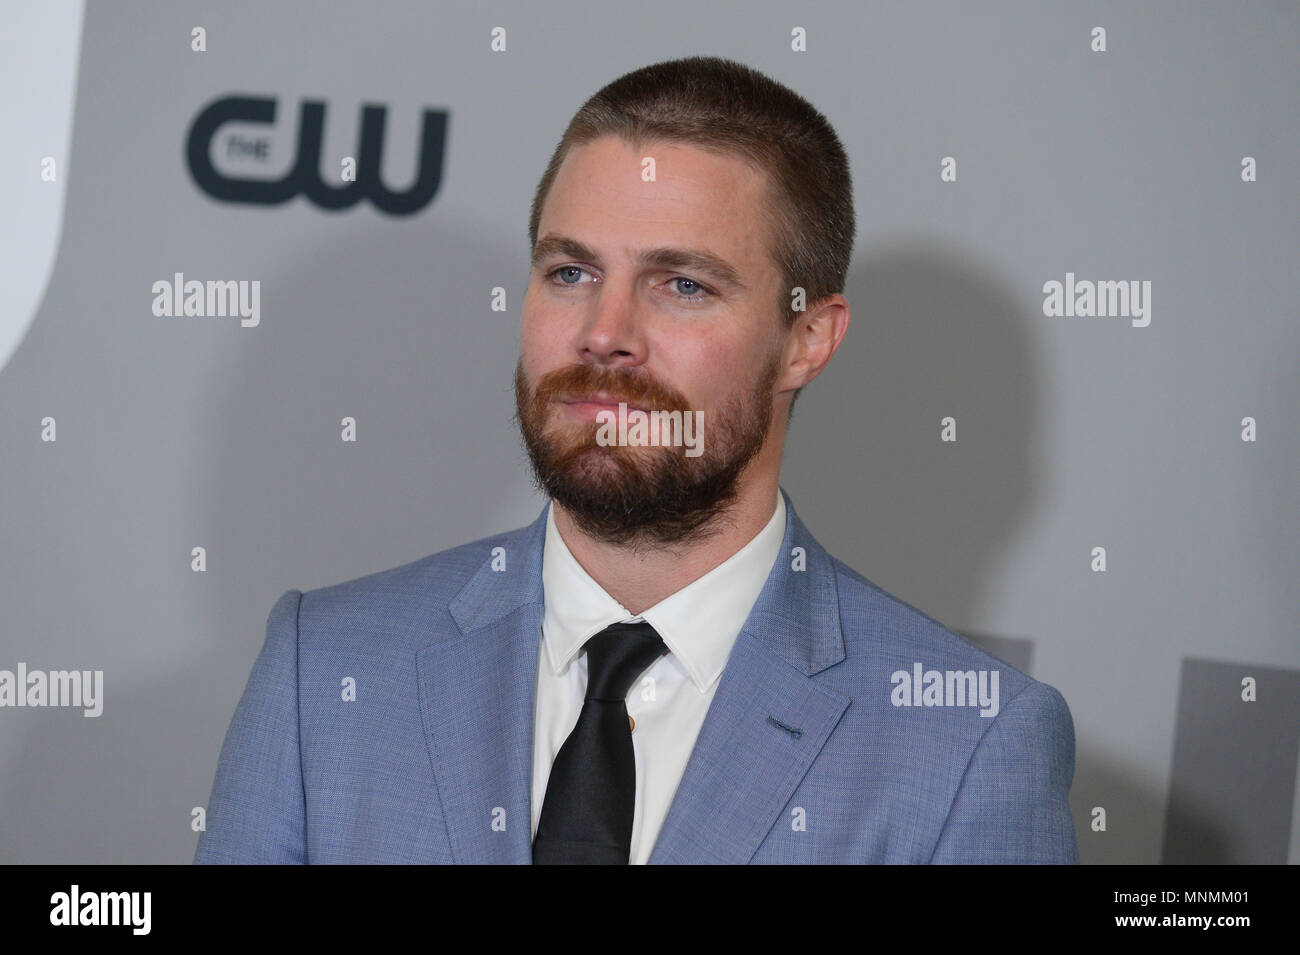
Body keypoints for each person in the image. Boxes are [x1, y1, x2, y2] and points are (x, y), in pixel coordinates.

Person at [195, 55, 1078, 864]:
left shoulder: (967, 749)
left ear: (807, 340)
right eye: (571, 273)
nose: (603, 334)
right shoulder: (327, 671)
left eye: (683, 285)